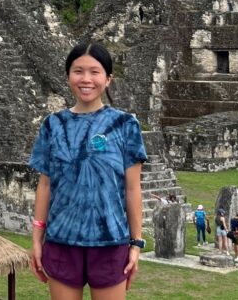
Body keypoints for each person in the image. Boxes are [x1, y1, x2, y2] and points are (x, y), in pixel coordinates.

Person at [28, 41, 148, 299]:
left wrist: (136, 243)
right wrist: (37, 239)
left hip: (109, 241)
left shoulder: (124, 125)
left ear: (108, 79)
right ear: (68, 76)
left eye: (94, 72)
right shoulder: (53, 125)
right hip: (61, 240)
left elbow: (132, 188)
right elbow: (45, 185)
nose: (86, 79)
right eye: (78, 71)